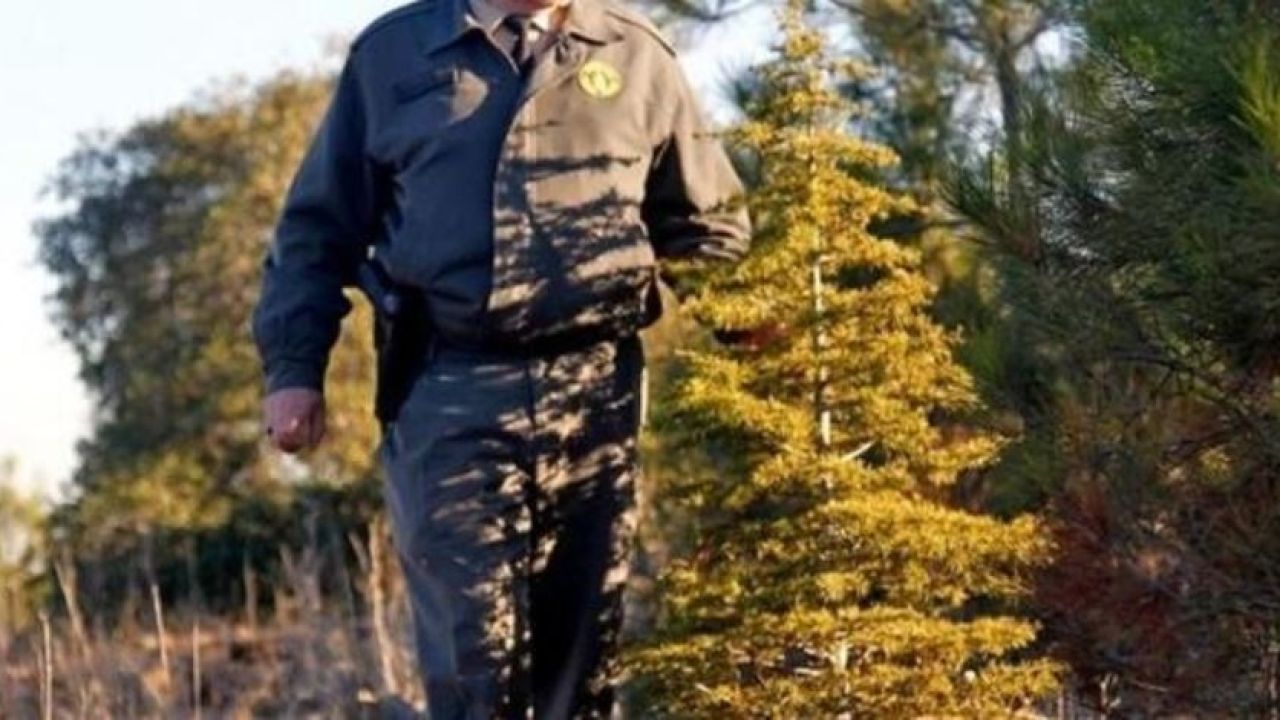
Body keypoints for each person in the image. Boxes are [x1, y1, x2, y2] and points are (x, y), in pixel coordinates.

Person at [250, 0, 750, 714]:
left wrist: (758, 336)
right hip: (449, 387)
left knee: (581, 660)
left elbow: (703, 226)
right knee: (475, 655)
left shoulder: (636, 53)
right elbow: (315, 234)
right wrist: (294, 371)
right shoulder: (394, 54)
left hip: (596, 393)